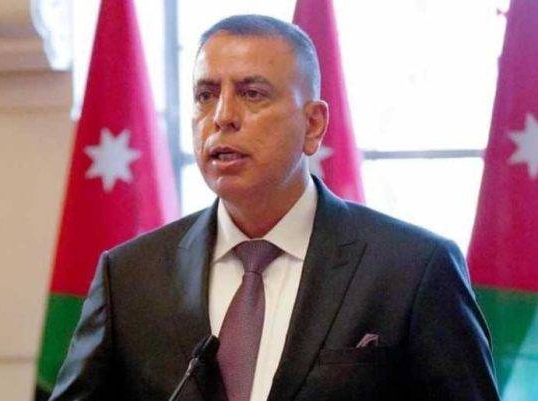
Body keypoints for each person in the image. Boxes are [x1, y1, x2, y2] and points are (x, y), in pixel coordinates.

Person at [49, 14, 500, 401]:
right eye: (206, 95)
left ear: (313, 124)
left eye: (252, 93)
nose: (222, 116)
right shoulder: (130, 276)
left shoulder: (413, 269)